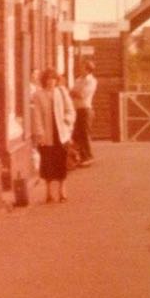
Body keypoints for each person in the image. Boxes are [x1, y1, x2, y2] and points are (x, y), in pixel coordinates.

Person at [31, 68, 76, 203]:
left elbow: (70, 110)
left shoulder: (61, 92)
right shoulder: (38, 95)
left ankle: (62, 191)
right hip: (47, 135)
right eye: (48, 80)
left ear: (57, 80)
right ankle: (49, 193)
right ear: (44, 81)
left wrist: (67, 122)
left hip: (61, 134)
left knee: (61, 162)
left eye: (53, 79)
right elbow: (37, 116)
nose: (51, 82)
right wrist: (39, 133)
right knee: (48, 163)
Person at [70, 60, 98, 166]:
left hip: (85, 109)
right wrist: (74, 93)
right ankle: (81, 156)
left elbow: (83, 94)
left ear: (88, 69)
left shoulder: (91, 81)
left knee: (85, 133)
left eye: (83, 67)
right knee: (76, 134)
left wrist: (75, 93)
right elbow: (71, 92)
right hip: (77, 109)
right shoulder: (78, 79)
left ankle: (89, 156)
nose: (80, 69)